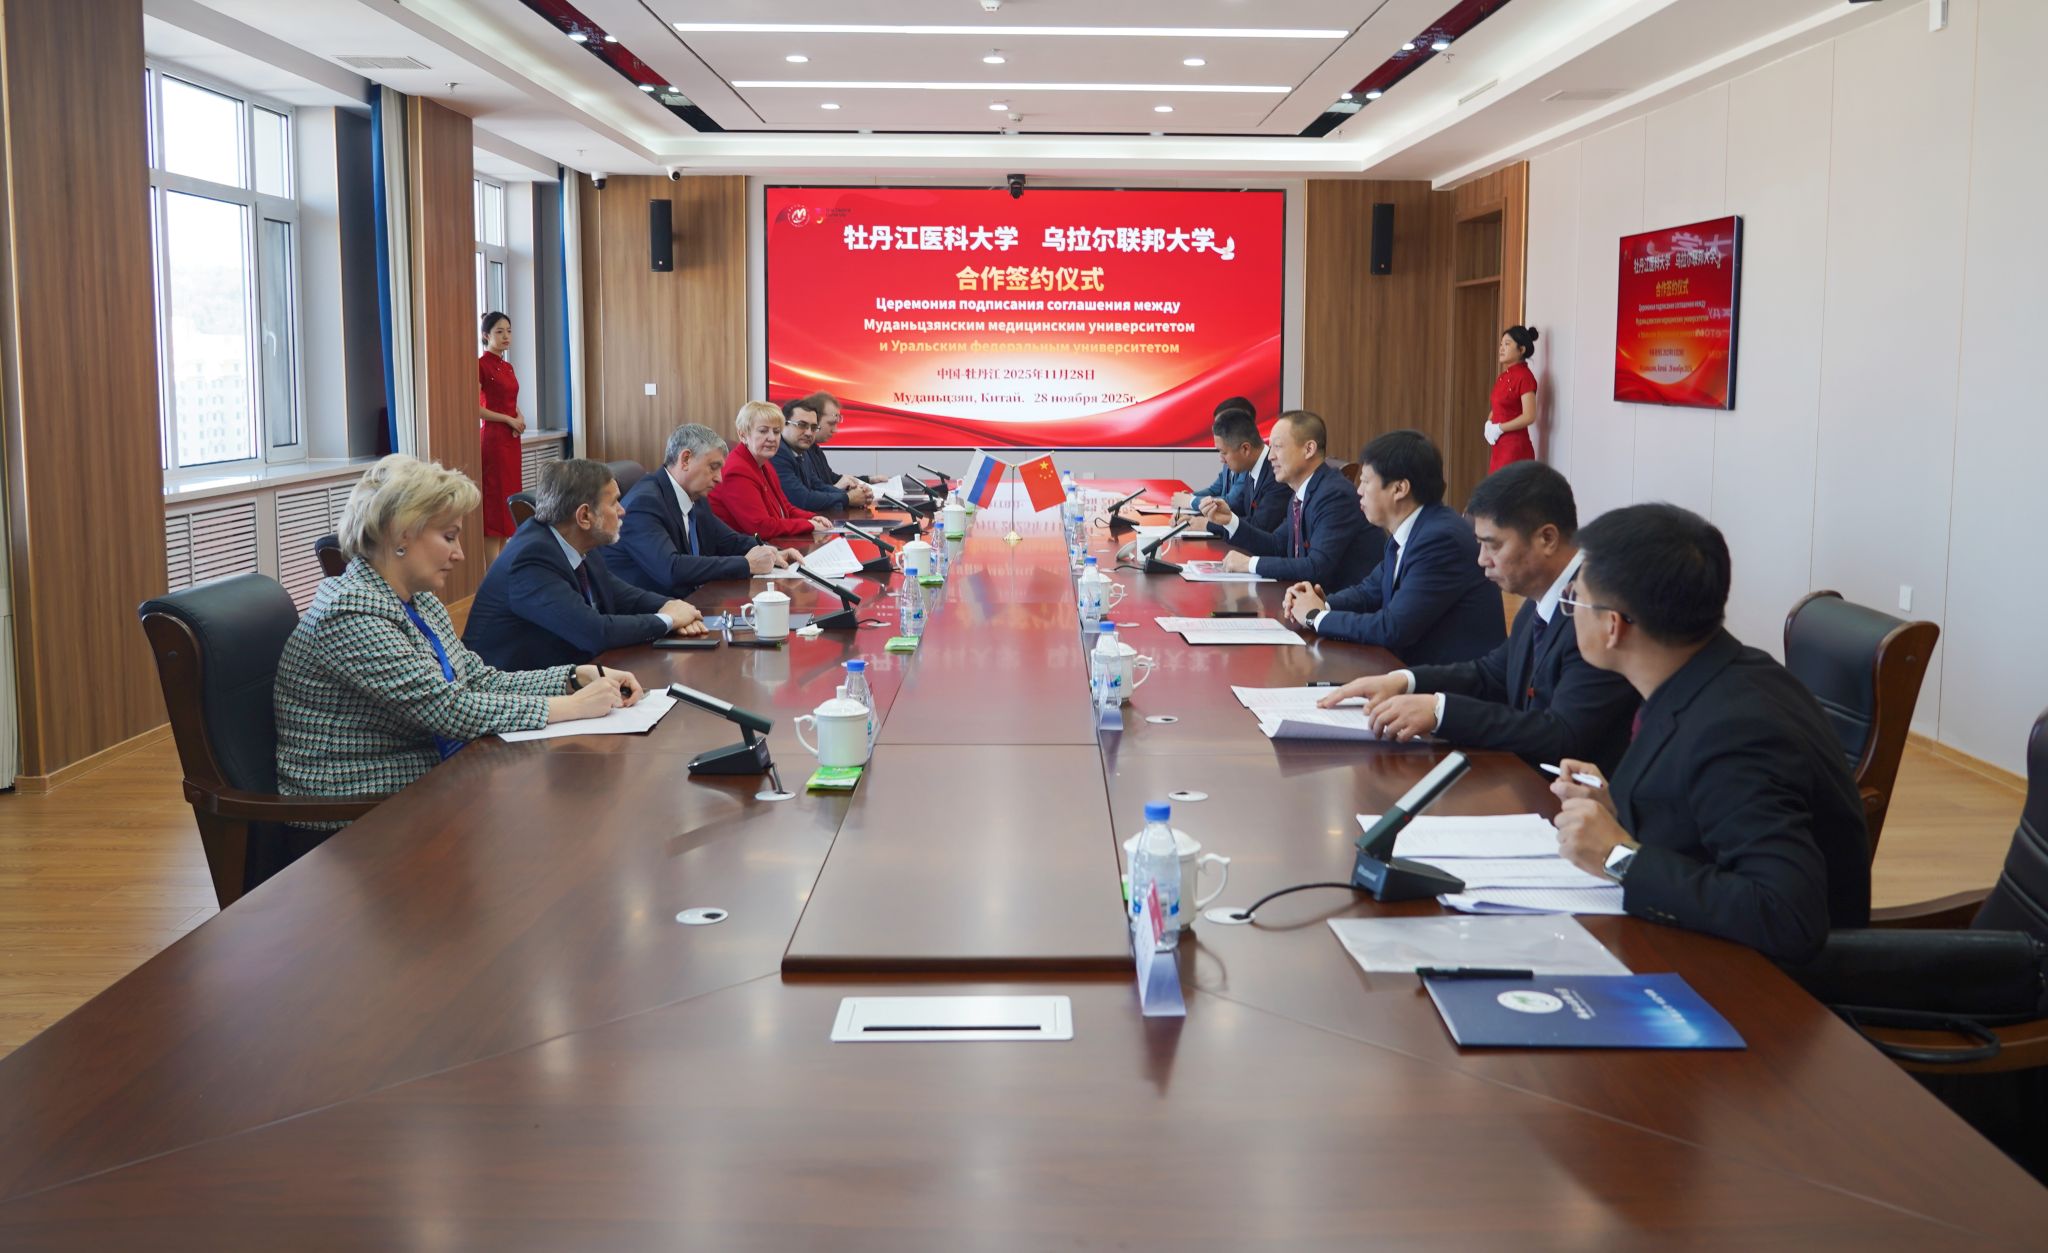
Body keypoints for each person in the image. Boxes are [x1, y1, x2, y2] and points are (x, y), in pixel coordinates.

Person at [1548, 503, 1870, 964]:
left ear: (1612, 625)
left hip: (1756, 986)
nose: (1571, 612)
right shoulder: (1718, 670)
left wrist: (1619, 857)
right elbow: (1699, 814)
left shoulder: (1737, 731)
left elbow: (1787, 914)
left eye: (1575, 599)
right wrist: (1616, 807)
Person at [275, 455, 639, 829]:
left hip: (425, 777)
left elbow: (476, 679)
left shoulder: (418, 599)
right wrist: (571, 707)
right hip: (355, 808)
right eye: (449, 536)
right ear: (402, 535)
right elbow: (448, 708)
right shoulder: (349, 613)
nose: (460, 553)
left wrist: (573, 677)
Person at [1316, 461, 1639, 772]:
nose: (1482, 559)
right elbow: (1491, 674)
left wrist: (1440, 711)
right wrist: (1403, 681)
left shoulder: (1594, 610)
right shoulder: (1542, 598)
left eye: (1492, 546)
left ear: (1547, 538)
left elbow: (1562, 734)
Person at [1281, 430, 1503, 664]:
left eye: (1366, 481)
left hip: (1445, 680)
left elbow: (1393, 627)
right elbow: (1369, 591)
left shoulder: (1440, 539)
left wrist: (1315, 617)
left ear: (1399, 489)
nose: (1358, 490)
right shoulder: (1413, 528)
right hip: (1408, 668)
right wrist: (1321, 603)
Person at [463, 459, 707, 671]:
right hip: (515, 694)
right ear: (584, 516)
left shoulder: (575, 540)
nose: (622, 511)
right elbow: (594, 632)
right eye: (614, 503)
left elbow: (620, 594)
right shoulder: (530, 560)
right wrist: (667, 620)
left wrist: (671, 606)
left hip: (570, 669)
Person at [611, 423, 803, 597]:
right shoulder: (644, 503)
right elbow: (671, 568)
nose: (719, 478)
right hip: (653, 611)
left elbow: (729, 540)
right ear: (685, 459)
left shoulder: (696, 496)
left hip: (693, 600)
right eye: (713, 467)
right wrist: (746, 564)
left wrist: (772, 552)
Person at [1198, 410, 1382, 591]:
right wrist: (1230, 521)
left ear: (1308, 449)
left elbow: (1317, 567)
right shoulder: (1301, 492)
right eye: (1271, 447)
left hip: (1338, 603)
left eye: (1278, 447)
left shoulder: (1334, 495)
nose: (1270, 456)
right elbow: (1276, 545)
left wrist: (1250, 564)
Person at [708, 401, 834, 543]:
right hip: (739, 551)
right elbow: (761, 528)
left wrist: (811, 517)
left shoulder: (764, 463)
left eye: (776, 431)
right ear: (743, 435)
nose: (772, 438)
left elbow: (785, 508)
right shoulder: (737, 470)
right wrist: (809, 525)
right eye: (763, 431)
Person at [1186, 406, 1288, 535]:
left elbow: (1259, 526)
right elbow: (1236, 510)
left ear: (1245, 449)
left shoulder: (1276, 475)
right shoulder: (1250, 468)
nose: (1221, 460)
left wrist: (1208, 525)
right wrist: (1193, 519)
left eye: (1224, 453)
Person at [477, 312, 526, 562]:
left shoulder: (508, 366)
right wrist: (508, 419)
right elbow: (475, 408)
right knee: (495, 506)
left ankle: (503, 567)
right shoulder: (480, 365)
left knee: (508, 503)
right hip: (494, 440)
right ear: (486, 335)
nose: (506, 336)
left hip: (511, 440)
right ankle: (492, 571)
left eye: (508, 331)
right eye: (499, 331)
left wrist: (519, 416)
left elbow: (511, 401)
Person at [772, 395, 874, 510]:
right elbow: (802, 499)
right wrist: (848, 498)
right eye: (801, 425)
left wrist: (856, 495)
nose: (809, 433)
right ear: (783, 424)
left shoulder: (802, 452)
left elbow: (818, 486)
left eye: (813, 427)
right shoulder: (777, 452)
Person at [1485, 325, 1540, 473]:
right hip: (1499, 446)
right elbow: (1498, 406)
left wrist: (1499, 428)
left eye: (1507, 344)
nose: (1501, 348)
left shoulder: (1525, 377)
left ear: (1521, 350)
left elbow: (1529, 416)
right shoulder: (1503, 377)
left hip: (1515, 447)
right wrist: (1489, 423)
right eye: (1501, 344)